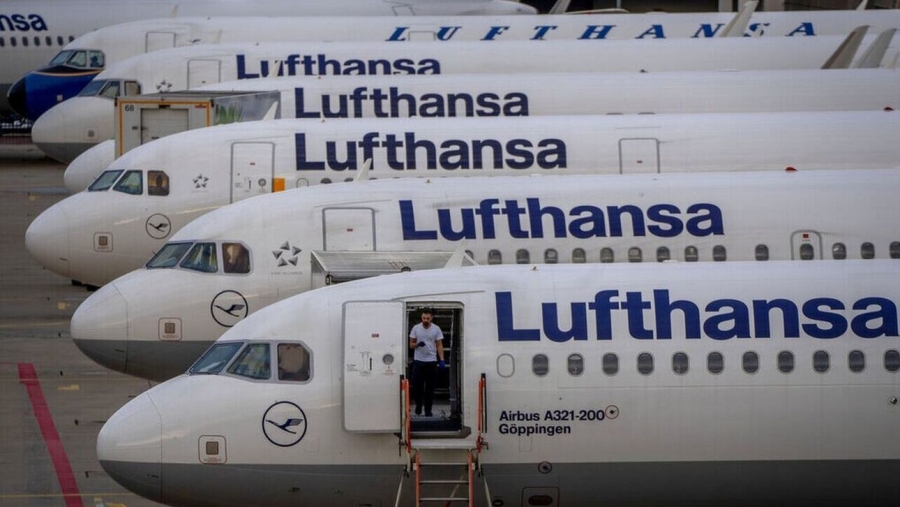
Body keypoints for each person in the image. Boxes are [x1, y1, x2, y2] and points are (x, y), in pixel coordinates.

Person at [409, 309, 444, 417]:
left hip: (431, 361)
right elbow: (411, 344)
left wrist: (442, 359)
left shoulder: (436, 329)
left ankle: (428, 410)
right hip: (419, 361)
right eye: (424, 318)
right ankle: (419, 405)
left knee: (430, 388)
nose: (425, 320)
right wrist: (417, 344)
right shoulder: (416, 328)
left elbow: (439, 345)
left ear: (431, 318)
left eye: (428, 318)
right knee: (417, 387)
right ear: (421, 317)